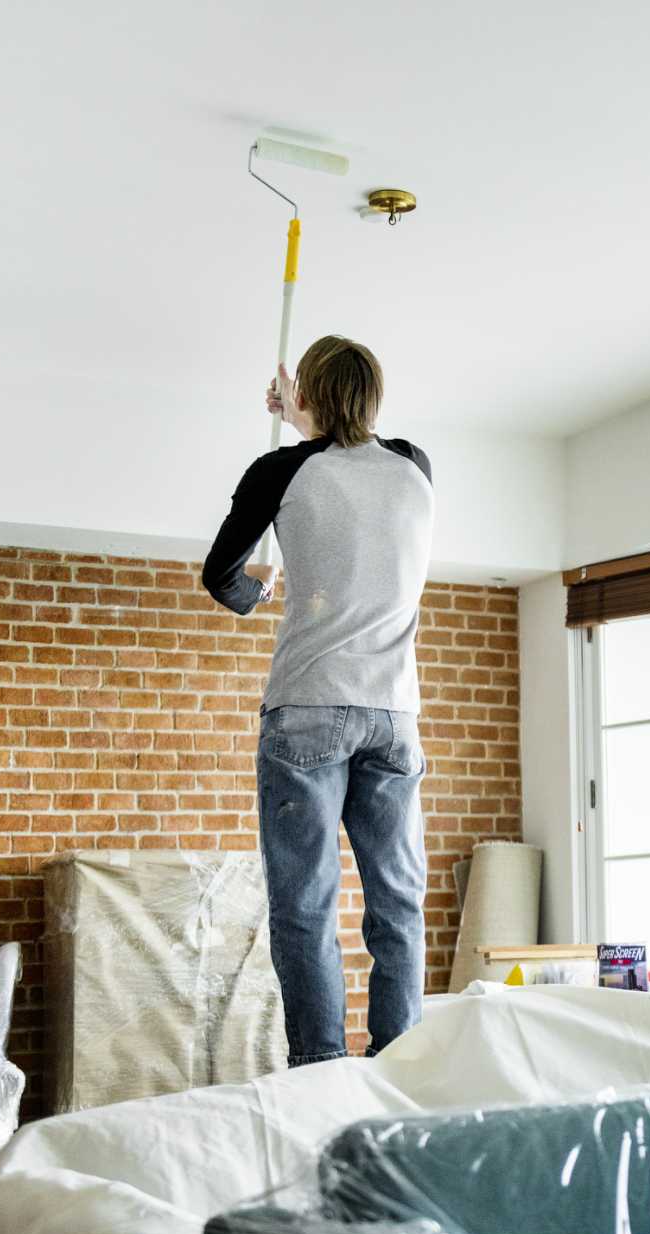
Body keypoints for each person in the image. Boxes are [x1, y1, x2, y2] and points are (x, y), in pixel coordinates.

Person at [201, 335, 435, 1065]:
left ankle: (322, 1073)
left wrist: (258, 591)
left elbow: (221, 575)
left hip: (308, 707)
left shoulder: (280, 469)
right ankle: (401, 1067)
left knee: (306, 908)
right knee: (397, 907)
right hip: (394, 715)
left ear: (309, 394)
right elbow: (352, 473)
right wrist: (308, 414)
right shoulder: (414, 467)